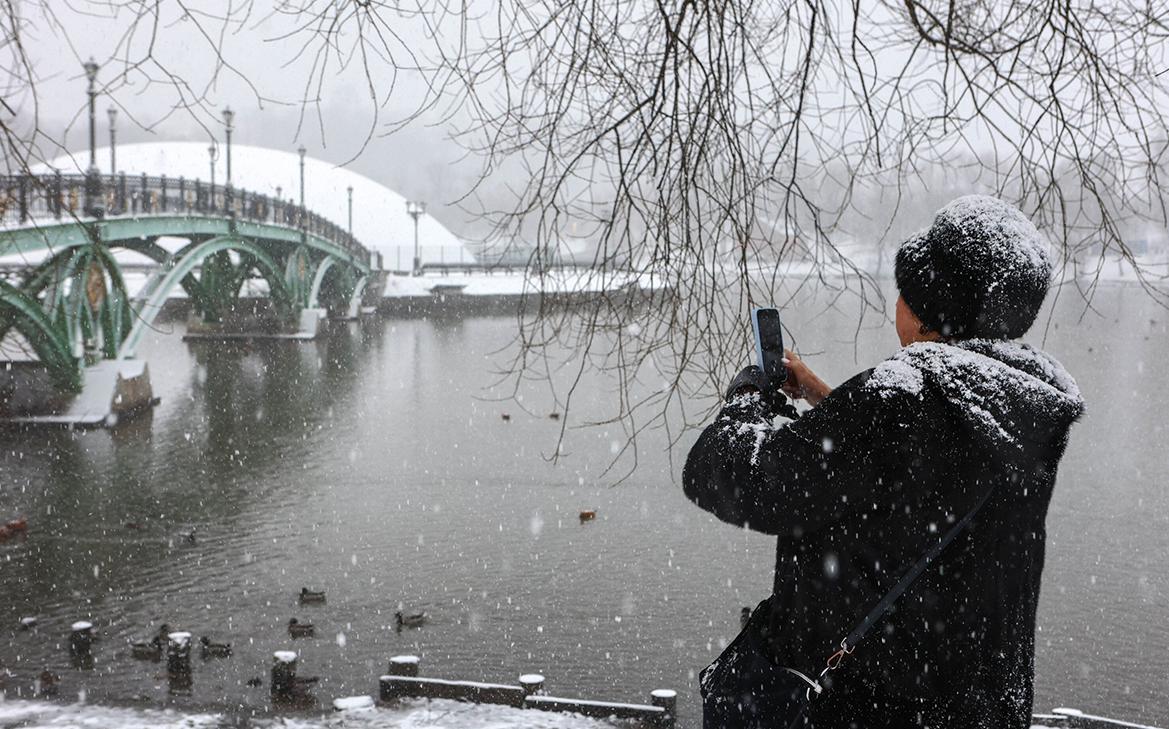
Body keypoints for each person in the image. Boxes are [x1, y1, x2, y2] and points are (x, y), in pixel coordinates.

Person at [683, 196, 1084, 729]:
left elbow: (731, 474)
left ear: (924, 315)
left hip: (862, 701)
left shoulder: (899, 401)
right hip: (974, 703)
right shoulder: (1017, 404)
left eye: (905, 293)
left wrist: (746, 401)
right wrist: (822, 397)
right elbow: (922, 473)